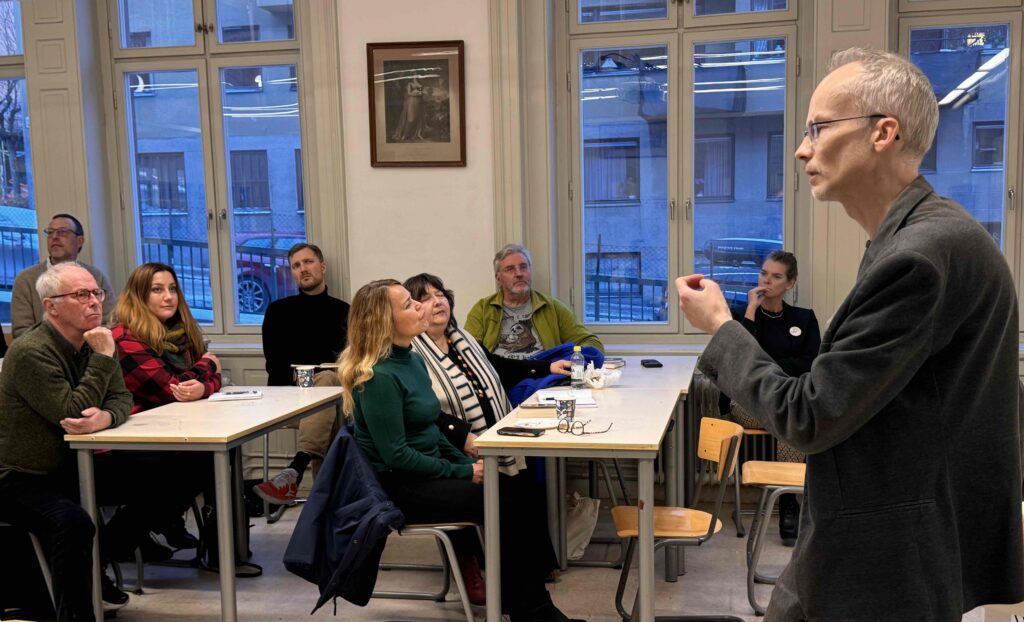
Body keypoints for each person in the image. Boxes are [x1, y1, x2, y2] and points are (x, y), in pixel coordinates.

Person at [676, 47, 1023, 621]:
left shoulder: (918, 256)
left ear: (883, 132)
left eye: (819, 127)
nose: (802, 147)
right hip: (893, 532)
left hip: (886, 554)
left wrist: (719, 326)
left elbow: (808, 416)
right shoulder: (922, 238)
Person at [342, 279, 583, 622]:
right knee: (504, 499)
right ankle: (530, 610)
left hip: (429, 469)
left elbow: (430, 428)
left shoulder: (409, 360)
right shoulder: (377, 376)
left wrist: (467, 462)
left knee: (518, 491)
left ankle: (530, 605)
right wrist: (463, 471)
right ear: (385, 321)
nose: (420, 308)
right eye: (410, 304)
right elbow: (396, 456)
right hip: (399, 485)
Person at [0, 263, 134, 618]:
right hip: (20, 474)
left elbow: (122, 399)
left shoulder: (95, 341)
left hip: (73, 464)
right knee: (72, 521)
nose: (94, 303)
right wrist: (105, 358)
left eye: (96, 293)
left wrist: (105, 417)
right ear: (51, 306)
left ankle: (98, 574)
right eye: (81, 295)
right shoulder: (32, 351)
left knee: (157, 474)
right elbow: (71, 412)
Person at [111, 262, 222, 551]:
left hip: (169, 430)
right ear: (139, 296)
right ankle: (121, 535)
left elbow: (212, 382)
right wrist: (207, 365)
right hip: (127, 440)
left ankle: (165, 524)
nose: (168, 297)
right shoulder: (125, 338)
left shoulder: (180, 333)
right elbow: (171, 389)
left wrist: (205, 385)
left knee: (220, 455)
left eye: (172, 289)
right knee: (201, 462)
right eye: (157, 290)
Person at [718, 250, 820, 546]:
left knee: (788, 413)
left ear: (791, 283)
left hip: (783, 400)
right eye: (764, 273)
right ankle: (789, 503)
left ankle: (787, 502)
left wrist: (765, 366)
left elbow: (812, 364)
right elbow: (738, 360)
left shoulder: (804, 318)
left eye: (776, 276)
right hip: (745, 401)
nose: (767, 280)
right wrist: (751, 310)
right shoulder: (740, 315)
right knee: (790, 414)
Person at [254, 243, 350, 504]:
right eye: (296, 265)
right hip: (288, 394)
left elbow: (349, 361)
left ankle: (295, 472)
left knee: (330, 387)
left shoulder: (344, 311)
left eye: (308, 262)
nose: (302, 269)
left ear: (322, 266)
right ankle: (326, 506)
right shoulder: (278, 311)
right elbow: (273, 363)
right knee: (331, 404)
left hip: (332, 394)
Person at [465, 243, 603, 359]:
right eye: (510, 269)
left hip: (543, 380)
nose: (519, 274)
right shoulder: (483, 309)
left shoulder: (551, 307)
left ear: (530, 271)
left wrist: (569, 360)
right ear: (498, 278)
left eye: (523, 267)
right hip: (500, 381)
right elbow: (466, 351)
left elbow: (591, 342)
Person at [11, 214, 115, 338]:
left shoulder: (95, 277)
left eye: (62, 232)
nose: (54, 237)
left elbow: (110, 323)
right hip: (42, 354)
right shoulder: (26, 279)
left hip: (90, 350)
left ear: (80, 240)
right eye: (50, 233)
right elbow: (21, 331)